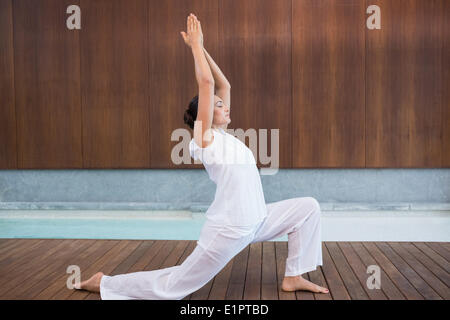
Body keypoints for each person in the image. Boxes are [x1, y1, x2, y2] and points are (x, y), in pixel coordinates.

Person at [75, 13, 328, 299]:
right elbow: (207, 85)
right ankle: (105, 282)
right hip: (230, 229)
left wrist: (202, 47)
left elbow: (224, 86)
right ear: (204, 117)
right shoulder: (204, 139)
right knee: (176, 286)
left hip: (257, 219)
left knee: (308, 208)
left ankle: (294, 276)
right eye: (218, 106)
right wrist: (195, 46)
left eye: (222, 105)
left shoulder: (224, 135)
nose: (225, 106)